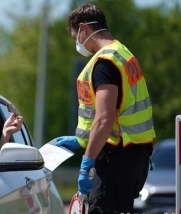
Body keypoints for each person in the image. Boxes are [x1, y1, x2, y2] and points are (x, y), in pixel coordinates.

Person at [54, 3, 156, 213]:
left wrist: (87, 160)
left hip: (114, 160)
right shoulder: (123, 53)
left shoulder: (104, 63)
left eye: (76, 37)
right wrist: (82, 140)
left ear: (83, 28)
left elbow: (104, 118)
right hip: (133, 156)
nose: (78, 43)